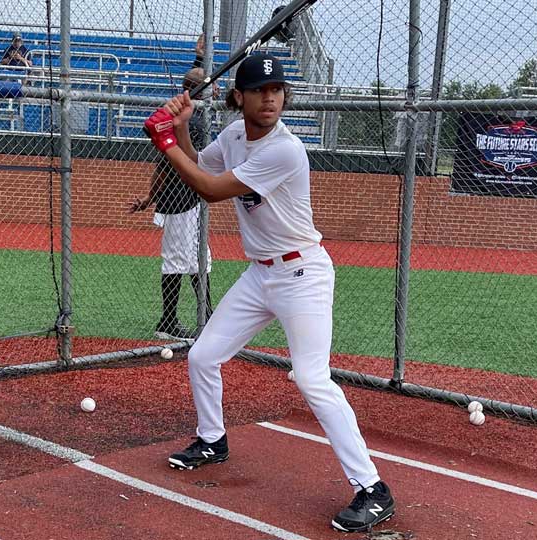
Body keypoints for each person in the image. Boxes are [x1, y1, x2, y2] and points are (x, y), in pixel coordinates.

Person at [142, 54, 396, 533]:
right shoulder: (234, 136)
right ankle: (212, 440)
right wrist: (181, 130)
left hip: (303, 275)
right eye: (260, 89)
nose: (271, 97)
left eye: (277, 89)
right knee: (203, 355)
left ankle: (373, 489)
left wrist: (165, 139)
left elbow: (212, 190)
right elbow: (199, 167)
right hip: (261, 275)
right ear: (239, 97)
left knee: (311, 379)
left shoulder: (286, 149)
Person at [129, 68, 214, 340]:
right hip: (181, 201)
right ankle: (168, 322)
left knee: (199, 259)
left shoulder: (189, 117)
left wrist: (149, 197)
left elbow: (163, 166)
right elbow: (167, 165)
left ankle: (207, 318)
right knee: (179, 260)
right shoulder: (192, 122)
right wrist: (150, 197)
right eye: (208, 86)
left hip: (189, 199)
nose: (215, 90)